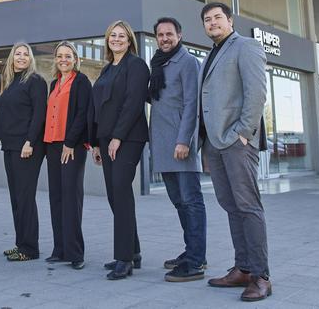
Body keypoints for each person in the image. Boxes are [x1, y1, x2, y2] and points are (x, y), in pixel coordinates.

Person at [198, 2, 272, 301]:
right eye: (207, 19)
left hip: (236, 142)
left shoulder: (246, 46)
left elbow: (257, 93)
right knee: (231, 206)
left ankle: (261, 276)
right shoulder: (210, 55)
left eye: (217, 17)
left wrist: (243, 134)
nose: (212, 22)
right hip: (215, 144)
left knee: (248, 207)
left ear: (229, 20)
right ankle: (243, 268)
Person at [90, 20, 150, 281]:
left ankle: (123, 259)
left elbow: (133, 103)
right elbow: (98, 107)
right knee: (116, 196)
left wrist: (117, 137)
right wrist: (95, 142)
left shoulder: (136, 65)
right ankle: (133, 251)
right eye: (112, 35)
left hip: (128, 138)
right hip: (106, 139)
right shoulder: (106, 69)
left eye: (121, 36)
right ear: (107, 40)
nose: (116, 39)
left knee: (121, 192)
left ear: (129, 41)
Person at [148, 17, 207, 282]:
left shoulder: (188, 63)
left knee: (191, 202)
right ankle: (192, 252)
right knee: (179, 202)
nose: (164, 38)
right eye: (160, 35)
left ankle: (195, 262)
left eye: (169, 34)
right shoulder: (158, 63)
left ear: (179, 35)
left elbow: (193, 104)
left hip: (180, 145)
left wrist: (185, 141)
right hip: (163, 145)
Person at [0, 43, 48, 261]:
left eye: (25, 54)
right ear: (11, 58)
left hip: (27, 148)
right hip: (10, 146)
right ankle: (20, 243)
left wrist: (29, 142)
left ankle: (30, 249)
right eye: (18, 53)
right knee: (16, 198)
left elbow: (39, 114)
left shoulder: (35, 81)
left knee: (25, 197)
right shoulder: (9, 82)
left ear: (30, 59)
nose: (21, 57)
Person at [44, 41, 92, 270]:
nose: (63, 59)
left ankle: (75, 253)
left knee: (72, 198)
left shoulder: (81, 81)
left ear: (75, 58)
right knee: (56, 197)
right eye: (59, 56)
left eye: (67, 56)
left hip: (71, 146)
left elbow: (83, 114)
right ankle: (59, 249)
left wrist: (70, 142)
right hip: (52, 145)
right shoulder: (54, 83)